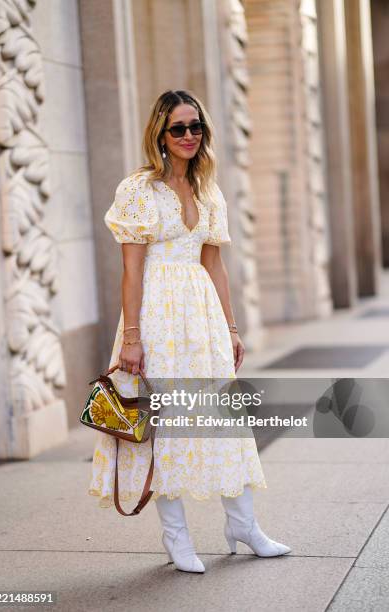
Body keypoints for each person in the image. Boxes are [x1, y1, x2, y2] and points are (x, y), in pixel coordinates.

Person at [88, 89, 291, 573]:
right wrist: (132, 337)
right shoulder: (138, 190)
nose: (188, 136)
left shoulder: (208, 190)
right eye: (178, 127)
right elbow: (131, 272)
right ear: (160, 132)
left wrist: (232, 327)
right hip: (157, 315)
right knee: (167, 428)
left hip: (202, 318)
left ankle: (243, 524)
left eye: (195, 126)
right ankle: (176, 537)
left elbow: (215, 265)